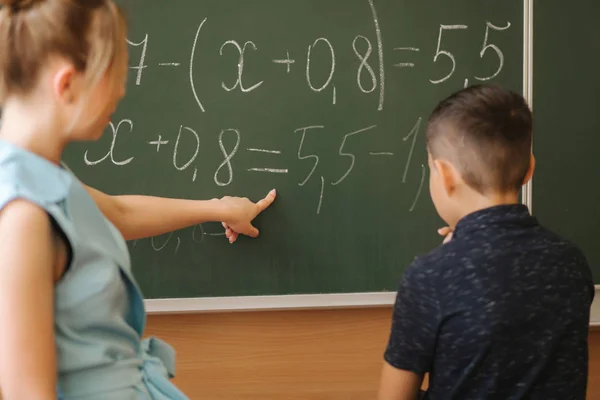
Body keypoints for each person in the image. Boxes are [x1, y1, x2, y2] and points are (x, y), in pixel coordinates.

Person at [0, 0, 275, 398]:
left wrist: (220, 207)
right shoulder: (23, 214)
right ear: (67, 84)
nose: (124, 90)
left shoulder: (40, 175)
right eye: (114, 73)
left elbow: (117, 211)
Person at [377, 84, 594, 400]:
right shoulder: (571, 261)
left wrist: (451, 262)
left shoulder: (430, 278)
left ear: (445, 175)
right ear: (529, 169)